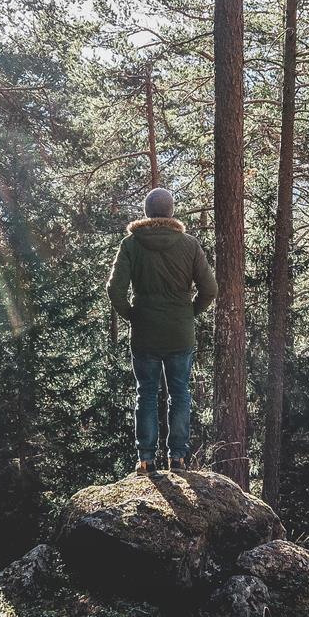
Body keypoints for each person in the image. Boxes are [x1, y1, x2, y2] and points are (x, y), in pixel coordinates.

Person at [106, 187, 217, 474]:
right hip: (180, 332)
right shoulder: (189, 244)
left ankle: (146, 458)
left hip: (145, 333)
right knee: (180, 393)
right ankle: (177, 457)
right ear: (170, 211)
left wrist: (132, 315)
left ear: (147, 211)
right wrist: (190, 312)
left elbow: (114, 289)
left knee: (146, 393)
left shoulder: (131, 244)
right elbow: (210, 289)